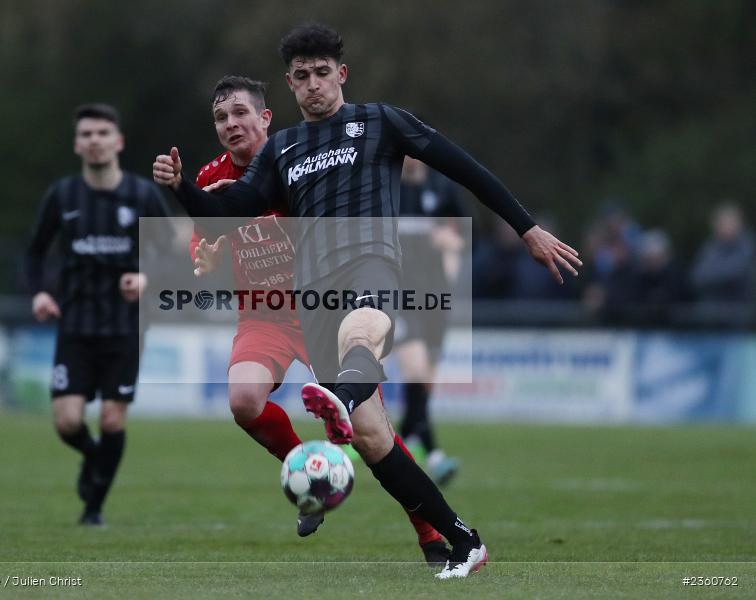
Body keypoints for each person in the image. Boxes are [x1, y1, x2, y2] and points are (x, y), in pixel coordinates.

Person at [154, 23, 582, 579]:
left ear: (342, 74)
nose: (313, 85)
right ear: (291, 83)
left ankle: (341, 394)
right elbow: (227, 211)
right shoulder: (283, 149)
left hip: (371, 263)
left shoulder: (379, 121)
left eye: (322, 73)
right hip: (312, 296)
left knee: (366, 325)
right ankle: (461, 541)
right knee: (376, 438)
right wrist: (181, 187)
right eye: (302, 76)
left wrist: (527, 229)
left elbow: (466, 169)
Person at [189, 75, 450, 564]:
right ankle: (304, 466)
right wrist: (203, 256)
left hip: (319, 308)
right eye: (221, 118)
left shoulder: (294, 161)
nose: (231, 124)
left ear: (265, 117)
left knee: (375, 434)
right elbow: (204, 234)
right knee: (244, 401)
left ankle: (431, 533)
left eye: (240, 113)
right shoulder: (209, 176)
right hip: (261, 315)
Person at [26, 103, 173, 526]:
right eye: (86, 134)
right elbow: (35, 252)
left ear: (118, 141)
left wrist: (146, 277)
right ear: (77, 144)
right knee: (67, 421)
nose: (94, 141)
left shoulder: (143, 195)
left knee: (111, 417)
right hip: (75, 323)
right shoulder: (63, 196)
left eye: (102, 133)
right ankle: (94, 460)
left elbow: (171, 254)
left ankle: (93, 509)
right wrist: (39, 293)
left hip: (126, 326)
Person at [394, 157, 464, 486]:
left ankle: (403, 440)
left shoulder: (442, 188)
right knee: (416, 371)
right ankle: (434, 455)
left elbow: (463, 234)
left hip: (435, 297)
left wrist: (453, 247)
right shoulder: (386, 187)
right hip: (399, 296)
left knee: (424, 384)